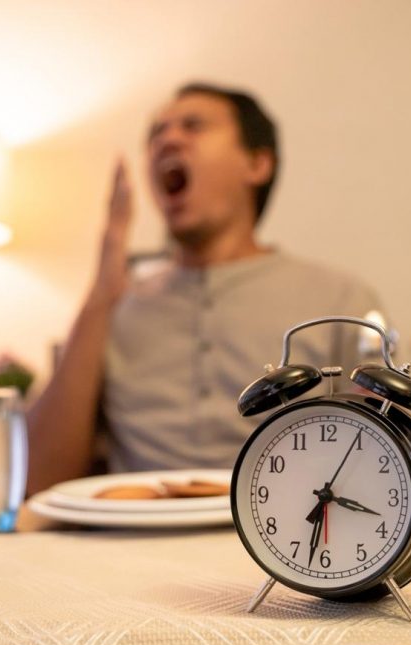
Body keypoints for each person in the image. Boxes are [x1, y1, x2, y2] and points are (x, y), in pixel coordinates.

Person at [26, 82, 384, 493]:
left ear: (257, 164)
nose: (168, 140)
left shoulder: (341, 300)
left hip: (290, 540)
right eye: (157, 133)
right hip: (134, 537)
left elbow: (385, 463)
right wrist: (101, 292)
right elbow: (39, 479)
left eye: (193, 126)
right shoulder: (115, 308)